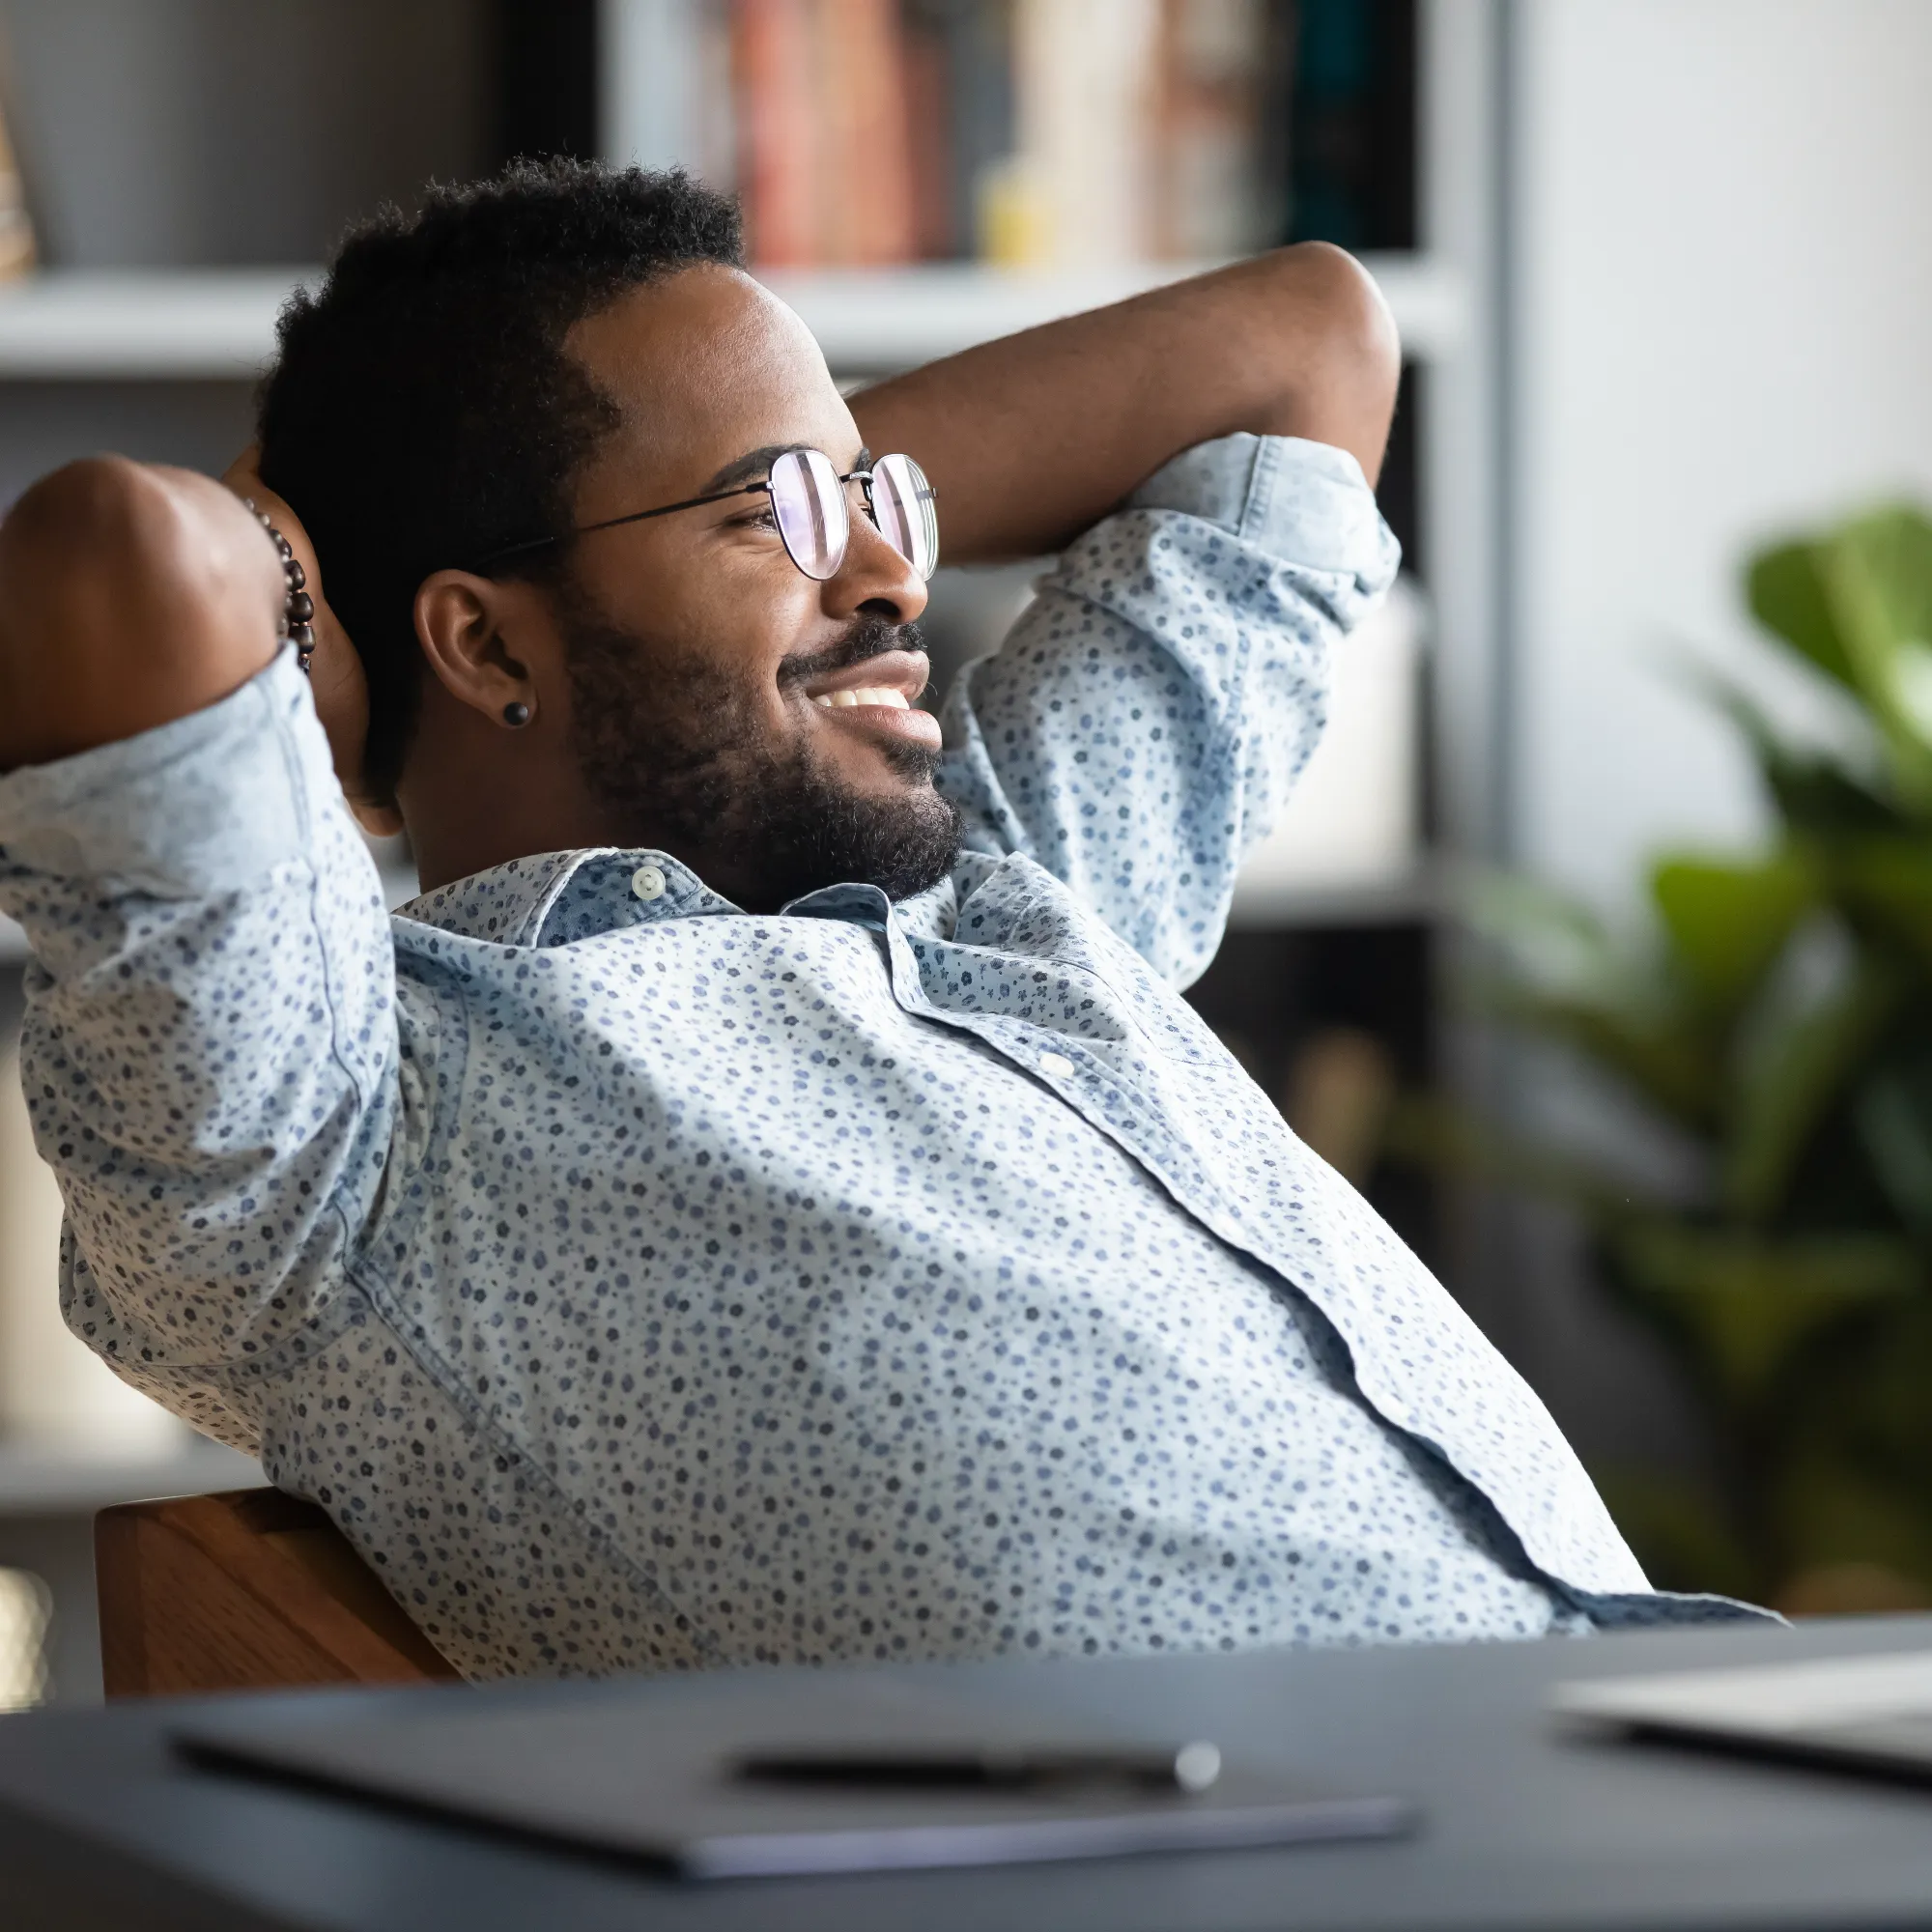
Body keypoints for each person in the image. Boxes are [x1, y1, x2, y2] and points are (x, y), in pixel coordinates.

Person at [0, 162, 1763, 1680]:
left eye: (883, 500)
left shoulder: (1009, 890)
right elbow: (117, 564)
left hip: (1688, 1751)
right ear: (481, 644)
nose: (900, 576)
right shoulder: (349, 1134)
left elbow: (1302, 343)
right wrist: (348, 569)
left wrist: (769, 515)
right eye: (779, 511)